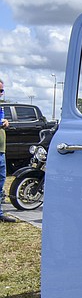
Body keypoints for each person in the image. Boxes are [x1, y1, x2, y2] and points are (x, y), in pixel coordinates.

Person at [0, 79, 17, 222]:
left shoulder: (0, 107)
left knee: (1, 182)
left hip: (1, 151)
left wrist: (5, 122)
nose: (0, 93)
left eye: (1, 91)